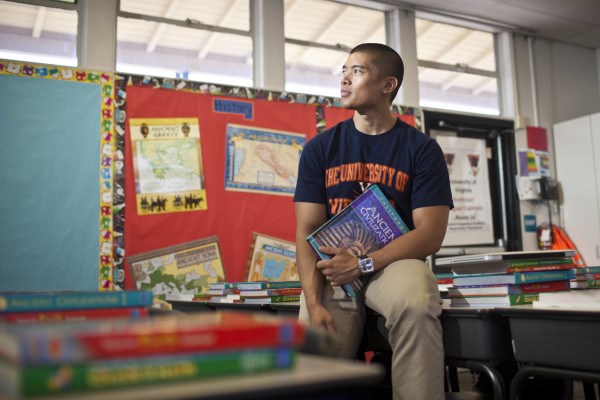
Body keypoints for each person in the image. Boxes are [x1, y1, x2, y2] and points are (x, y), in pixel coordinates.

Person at [293, 43, 453, 400]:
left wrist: (365, 262)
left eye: (357, 71)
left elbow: (430, 234)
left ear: (387, 85)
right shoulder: (320, 148)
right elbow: (305, 231)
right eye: (344, 71)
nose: (345, 79)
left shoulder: (421, 149)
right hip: (333, 269)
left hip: (392, 263)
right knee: (315, 352)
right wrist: (314, 303)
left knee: (416, 301)